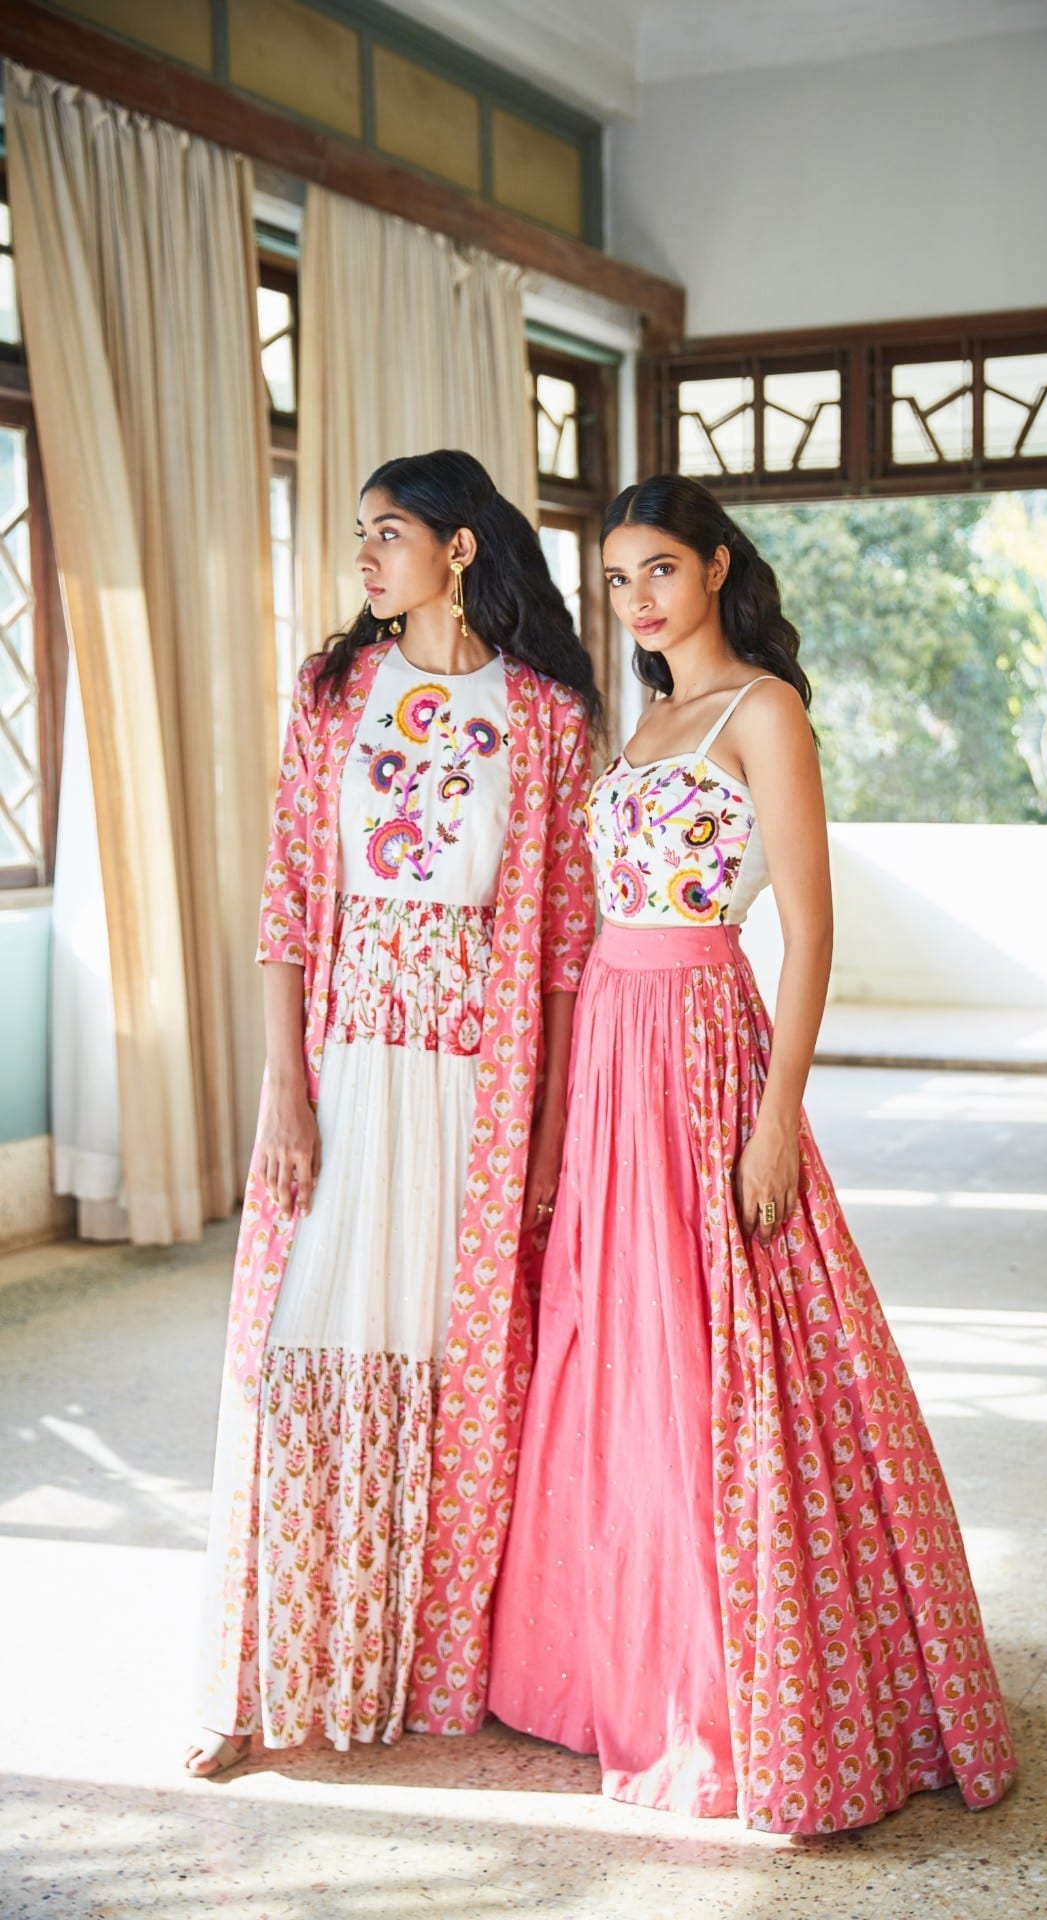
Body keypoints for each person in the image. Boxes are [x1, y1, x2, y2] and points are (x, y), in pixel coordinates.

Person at [488, 473, 1016, 1836]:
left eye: (659, 567)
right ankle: (622, 1658)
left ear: (718, 567)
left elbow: (813, 928)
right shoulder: (644, 720)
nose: (637, 597)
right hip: (608, 1041)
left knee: (726, 1348)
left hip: (705, 1041)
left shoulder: (763, 711)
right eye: (616, 579)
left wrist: (778, 1111)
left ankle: (751, 1672)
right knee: (619, 1342)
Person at [185, 450, 598, 1775]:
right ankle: (276, 1669)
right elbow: (287, 903)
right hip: (349, 1054)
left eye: (388, 532)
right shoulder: (337, 694)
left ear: (462, 547)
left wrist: (543, 1143)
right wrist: (283, 1096)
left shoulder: (542, 715)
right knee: (313, 1335)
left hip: (478, 1075)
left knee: (448, 1354)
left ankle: (430, 1670)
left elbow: (563, 948)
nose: (364, 556)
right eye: (360, 535)